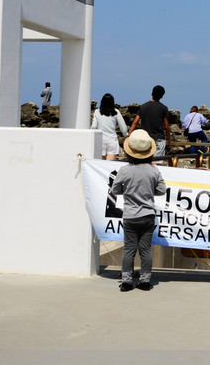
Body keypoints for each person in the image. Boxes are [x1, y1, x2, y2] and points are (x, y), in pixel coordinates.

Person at [111, 129, 166, 292]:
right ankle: (145, 281)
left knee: (129, 249)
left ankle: (127, 281)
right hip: (148, 215)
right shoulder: (154, 170)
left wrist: (126, 191)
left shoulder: (124, 170)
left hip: (130, 216)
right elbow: (162, 190)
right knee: (145, 249)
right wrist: (149, 192)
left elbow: (115, 190)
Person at [129, 85, 171, 158]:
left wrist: (129, 135)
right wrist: (169, 141)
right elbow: (166, 126)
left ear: (151, 93)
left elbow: (135, 122)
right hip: (158, 139)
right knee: (156, 161)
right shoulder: (163, 108)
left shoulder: (143, 107)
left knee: (145, 160)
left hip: (145, 139)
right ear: (162, 96)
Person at [91, 93, 129, 160]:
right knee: (109, 165)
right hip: (112, 140)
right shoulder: (116, 112)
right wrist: (125, 135)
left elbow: (93, 127)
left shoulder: (97, 112)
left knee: (100, 164)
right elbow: (123, 127)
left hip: (100, 140)